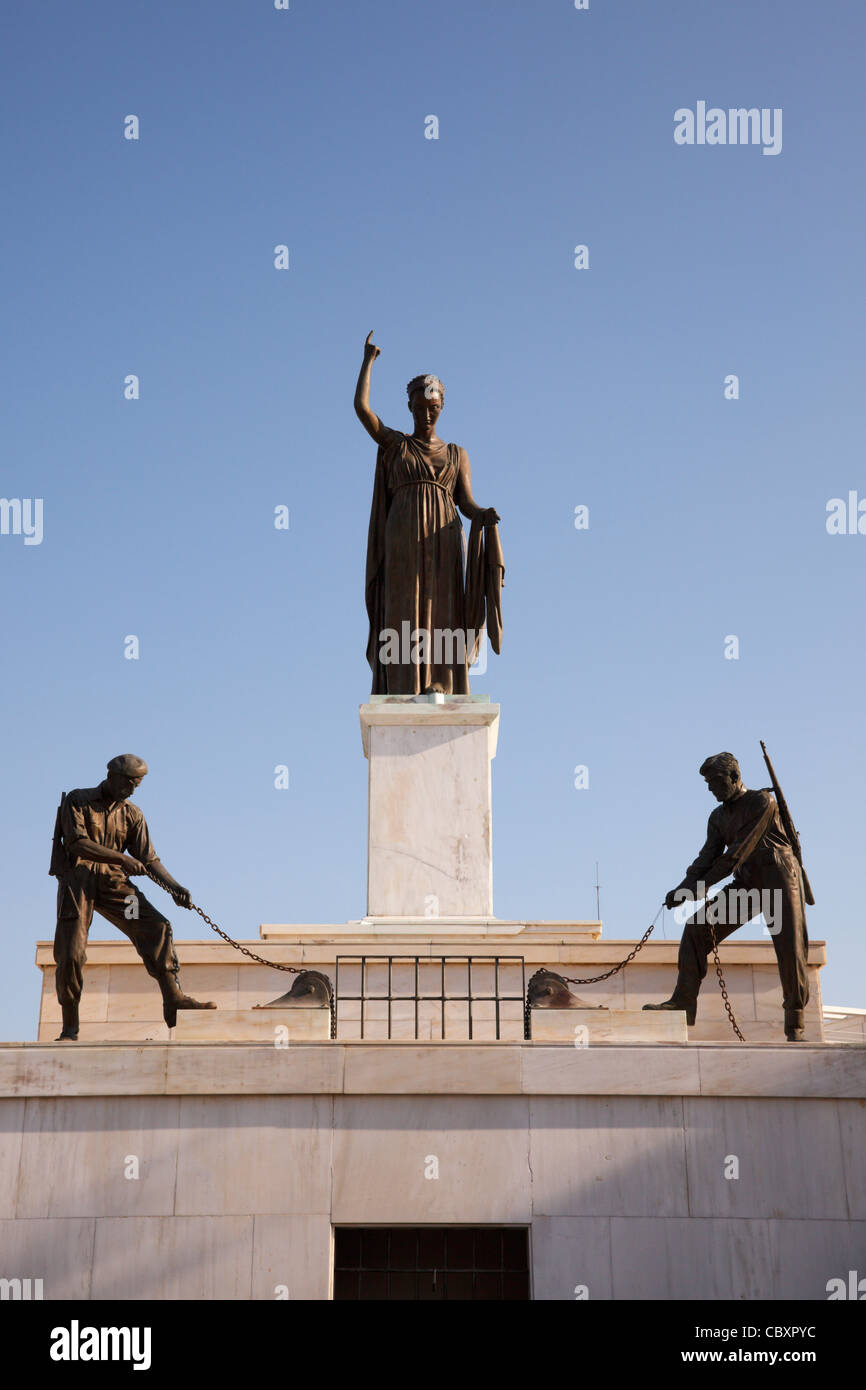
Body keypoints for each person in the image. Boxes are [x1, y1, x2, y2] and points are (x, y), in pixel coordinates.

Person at [355, 331, 503, 694]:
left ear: (441, 408)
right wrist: (367, 362)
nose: (425, 414)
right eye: (419, 408)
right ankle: (404, 683)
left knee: (441, 608)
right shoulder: (397, 445)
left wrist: (483, 515)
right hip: (402, 537)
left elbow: (466, 502)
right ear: (410, 407)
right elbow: (363, 411)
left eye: (432, 408)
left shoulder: (456, 454)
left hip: (443, 536)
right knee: (404, 605)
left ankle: (440, 680)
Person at [643, 752, 810, 1041]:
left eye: (716, 781)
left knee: (790, 951)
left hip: (779, 877)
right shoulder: (718, 817)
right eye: (707, 783)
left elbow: (734, 855)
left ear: (735, 777)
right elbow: (706, 858)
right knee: (696, 928)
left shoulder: (762, 801)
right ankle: (683, 1004)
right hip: (746, 882)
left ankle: (795, 1026)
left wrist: (695, 889)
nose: (711, 789)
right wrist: (684, 887)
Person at [50, 754, 216, 1039]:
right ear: (111, 776)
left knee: (155, 927)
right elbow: (77, 843)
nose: (132, 789)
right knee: (71, 954)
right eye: (129, 783)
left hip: (113, 884)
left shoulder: (132, 814)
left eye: (137, 784)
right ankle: (70, 1027)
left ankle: (173, 999)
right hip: (79, 883)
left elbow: (149, 859)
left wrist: (175, 887)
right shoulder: (78, 800)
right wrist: (121, 859)